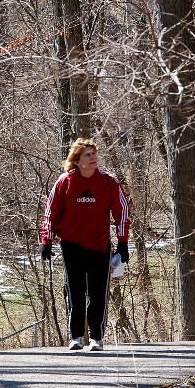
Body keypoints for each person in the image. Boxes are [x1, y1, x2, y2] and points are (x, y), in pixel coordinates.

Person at [40, 138, 130, 351]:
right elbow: (51, 213)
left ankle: (97, 338)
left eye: (94, 154)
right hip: (72, 245)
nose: (93, 158)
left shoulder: (108, 182)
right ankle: (76, 337)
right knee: (75, 290)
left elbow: (122, 212)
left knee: (99, 292)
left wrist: (123, 243)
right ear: (77, 161)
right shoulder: (65, 182)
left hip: (100, 245)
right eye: (87, 155)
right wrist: (47, 241)